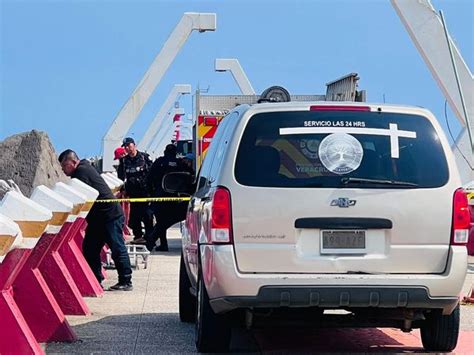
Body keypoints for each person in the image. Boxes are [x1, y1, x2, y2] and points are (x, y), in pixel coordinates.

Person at [58, 149, 133, 291]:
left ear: (73, 162)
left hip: (109, 216)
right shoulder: (85, 168)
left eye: (64, 166)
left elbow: (76, 197)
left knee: (117, 247)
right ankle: (95, 279)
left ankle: (126, 280)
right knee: (90, 248)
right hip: (98, 219)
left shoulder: (81, 173)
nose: (63, 170)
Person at [146, 144, 193, 251]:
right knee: (167, 221)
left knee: (161, 221)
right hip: (177, 198)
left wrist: (151, 194)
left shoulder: (159, 162)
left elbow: (149, 179)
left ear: (165, 151)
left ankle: (161, 243)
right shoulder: (180, 164)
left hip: (160, 197)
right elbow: (190, 177)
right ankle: (153, 240)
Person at [117, 137, 153, 244]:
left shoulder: (144, 157)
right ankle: (138, 237)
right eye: (125, 146)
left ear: (134, 145)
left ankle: (149, 237)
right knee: (135, 217)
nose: (127, 148)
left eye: (129, 145)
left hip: (145, 192)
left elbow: (152, 173)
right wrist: (123, 189)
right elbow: (121, 177)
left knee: (147, 216)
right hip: (133, 193)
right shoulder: (124, 161)